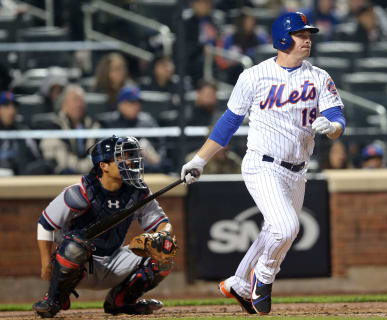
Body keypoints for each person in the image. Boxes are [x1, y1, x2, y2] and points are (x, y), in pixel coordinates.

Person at [180, 12, 345, 315]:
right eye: (300, 34)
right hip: (262, 163)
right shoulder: (253, 76)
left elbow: (337, 118)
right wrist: (200, 160)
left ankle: (239, 284)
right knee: (285, 227)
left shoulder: (319, 76)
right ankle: (263, 276)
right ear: (283, 38)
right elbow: (228, 123)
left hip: (298, 169)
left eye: (309, 34)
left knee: (276, 231)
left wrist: (332, 128)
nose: (307, 39)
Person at [32, 135, 176, 318]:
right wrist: (45, 264)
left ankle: (121, 301)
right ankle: (54, 299)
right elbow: (45, 224)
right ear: (104, 165)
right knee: (75, 246)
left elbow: (163, 223)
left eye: (131, 156)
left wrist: (160, 237)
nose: (130, 162)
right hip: (77, 266)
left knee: (164, 254)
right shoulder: (80, 191)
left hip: (114, 261)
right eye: (123, 157)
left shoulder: (137, 191)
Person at [100, 86, 170, 173]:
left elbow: (161, 148)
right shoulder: (108, 123)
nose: (137, 106)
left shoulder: (148, 122)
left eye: (138, 102)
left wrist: (154, 157)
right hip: (117, 170)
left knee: (144, 144)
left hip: (146, 170)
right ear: (121, 104)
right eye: (132, 102)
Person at [39, 84, 101, 174]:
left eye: (81, 100)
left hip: (91, 178)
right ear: (64, 104)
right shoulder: (53, 127)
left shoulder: (94, 125)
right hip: (62, 178)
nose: (79, 104)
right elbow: (59, 160)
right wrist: (82, 168)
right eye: (75, 100)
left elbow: (98, 154)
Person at [0, 91, 49, 175]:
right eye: (6, 106)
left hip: (20, 179)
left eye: (14, 106)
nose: (11, 111)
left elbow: (36, 158)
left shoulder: (24, 132)